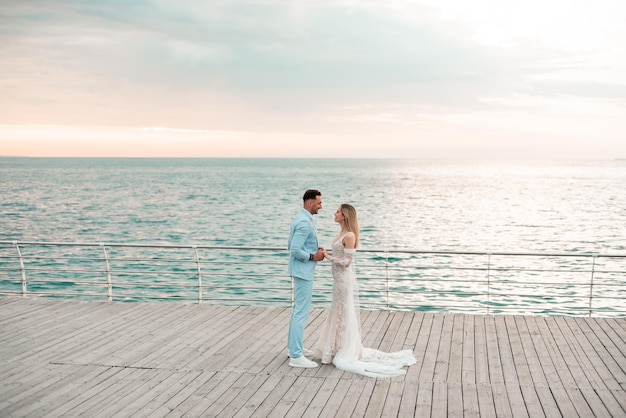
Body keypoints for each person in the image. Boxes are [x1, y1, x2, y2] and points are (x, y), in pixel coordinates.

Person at [314, 203, 416, 377]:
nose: (335, 213)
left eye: (337, 211)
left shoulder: (350, 235)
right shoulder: (341, 233)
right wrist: (327, 252)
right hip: (337, 282)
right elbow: (341, 257)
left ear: (345, 215)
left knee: (344, 312)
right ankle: (334, 347)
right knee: (337, 312)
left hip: (344, 281)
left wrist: (328, 256)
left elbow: (347, 262)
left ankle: (345, 349)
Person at [287, 189, 325, 368]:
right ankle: (296, 356)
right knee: (301, 312)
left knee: (298, 311)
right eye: (319, 203)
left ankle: (294, 348)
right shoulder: (304, 222)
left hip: (301, 270)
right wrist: (313, 257)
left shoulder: (301, 218)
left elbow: (293, 244)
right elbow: (294, 249)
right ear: (310, 203)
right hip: (303, 271)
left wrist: (315, 249)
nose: (321, 206)